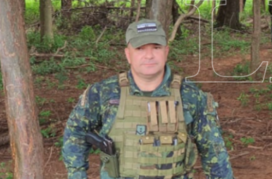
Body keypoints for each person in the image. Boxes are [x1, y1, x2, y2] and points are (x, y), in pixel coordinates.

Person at [62, 19, 234, 179]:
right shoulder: (103, 92)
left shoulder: (190, 95)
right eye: (140, 48)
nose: (149, 55)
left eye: (156, 47)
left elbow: (214, 152)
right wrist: (77, 174)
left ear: (166, 51)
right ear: (128, 54)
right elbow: (75, 132)